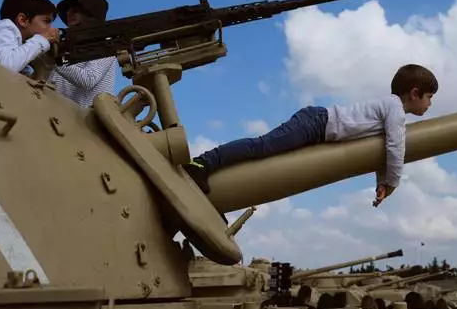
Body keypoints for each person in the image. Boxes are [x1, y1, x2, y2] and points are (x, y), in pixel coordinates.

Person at [183, 64, 438, 206]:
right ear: (415, 93)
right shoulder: (395, 109)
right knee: (262, 147)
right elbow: (395, 146)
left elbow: (383, 147)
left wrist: (381, 182)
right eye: (429, 97)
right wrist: (392, 183)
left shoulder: (391, 109)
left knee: (265, 150)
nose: (430, 104)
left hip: (318, 126)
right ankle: (203, 162)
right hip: (315, 124)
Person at [46, 0, 119, 107]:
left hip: (83, 116)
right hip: (54, 113)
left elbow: (88, 79)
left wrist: (54, 58)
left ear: (90, 15)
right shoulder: (65, 44)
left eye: (75, 10)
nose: (69, 13)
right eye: (68, 10)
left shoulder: (105, 45)